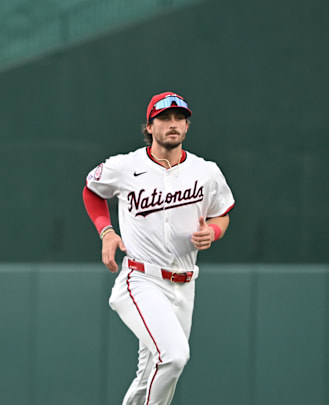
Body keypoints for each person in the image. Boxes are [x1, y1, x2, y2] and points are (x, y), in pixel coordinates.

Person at [82, 92, 234, 405]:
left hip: (185, 284)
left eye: (179, 118)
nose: (172, 124)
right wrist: (106, 232)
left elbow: (222, 212)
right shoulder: (125, 166)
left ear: (187, 126)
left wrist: (215, 231)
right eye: (164, 118)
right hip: (141, 279)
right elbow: (92, 190)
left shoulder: (206, 172)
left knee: (150, 372)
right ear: (149, 127)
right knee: (174, 357)